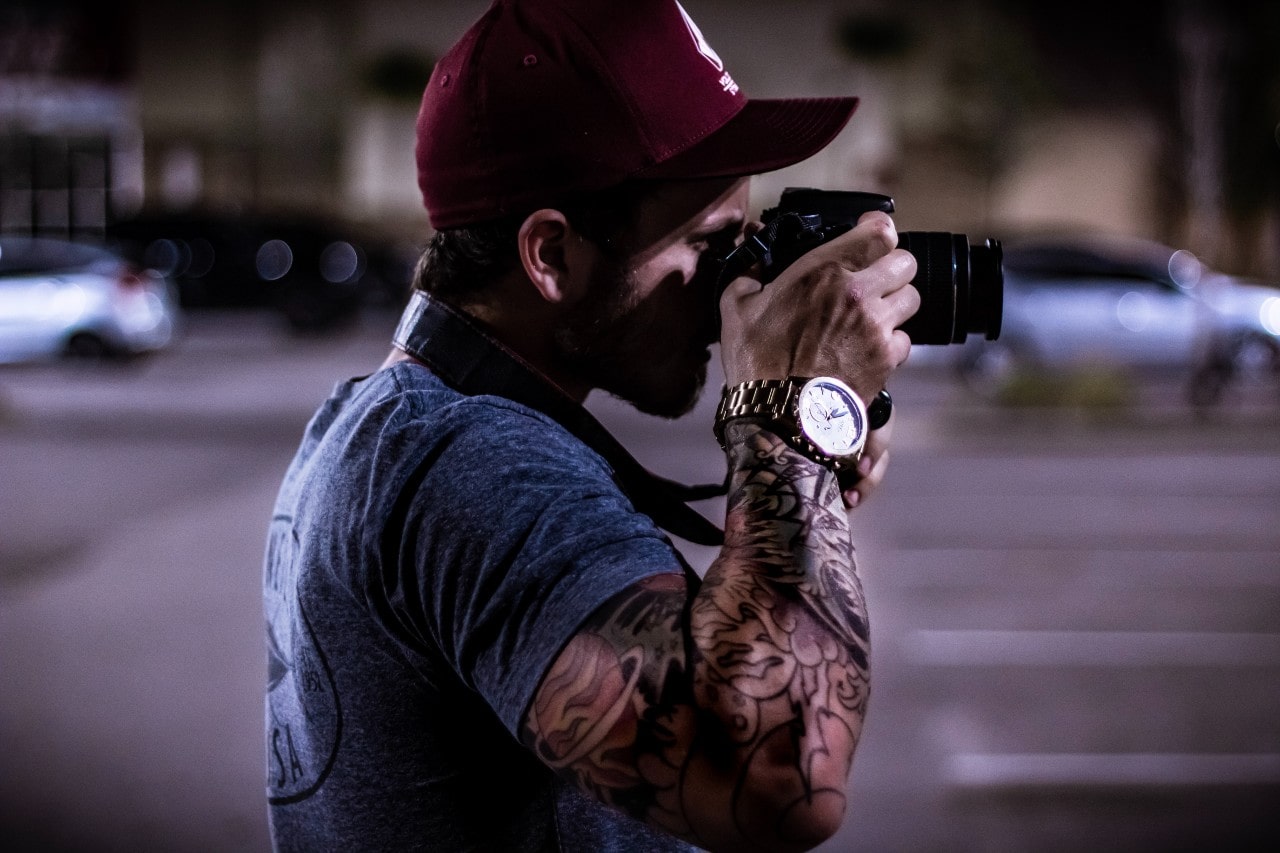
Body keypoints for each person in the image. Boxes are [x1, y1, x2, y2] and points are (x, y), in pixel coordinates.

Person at [263, 0, 920, 850]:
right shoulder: (468, 466)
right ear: (552, 255)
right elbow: (778, 777)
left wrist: (801, 474)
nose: (734, 292)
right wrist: (788, 429)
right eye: (711, 245)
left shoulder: (376, 423)